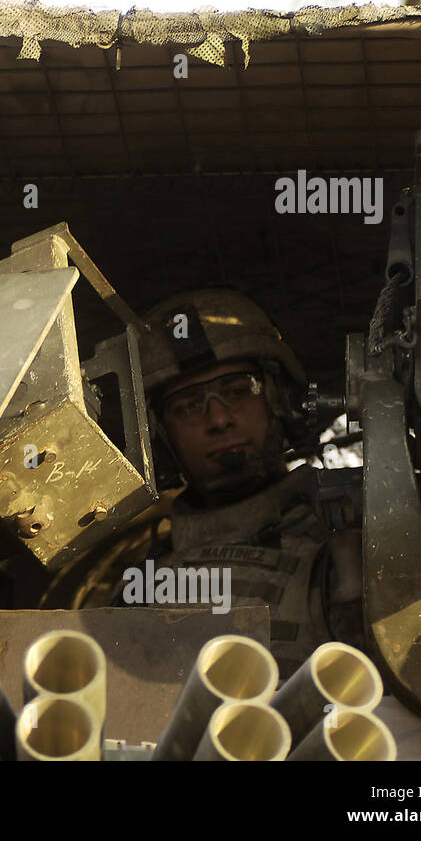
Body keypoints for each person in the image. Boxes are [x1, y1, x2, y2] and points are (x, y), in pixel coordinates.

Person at [52, 288, 365, 677]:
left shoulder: (350, 537)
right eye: (188, 406)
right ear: (161, 437)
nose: (218, 419)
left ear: (278, 399)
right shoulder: (133, 573)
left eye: (238, 391)